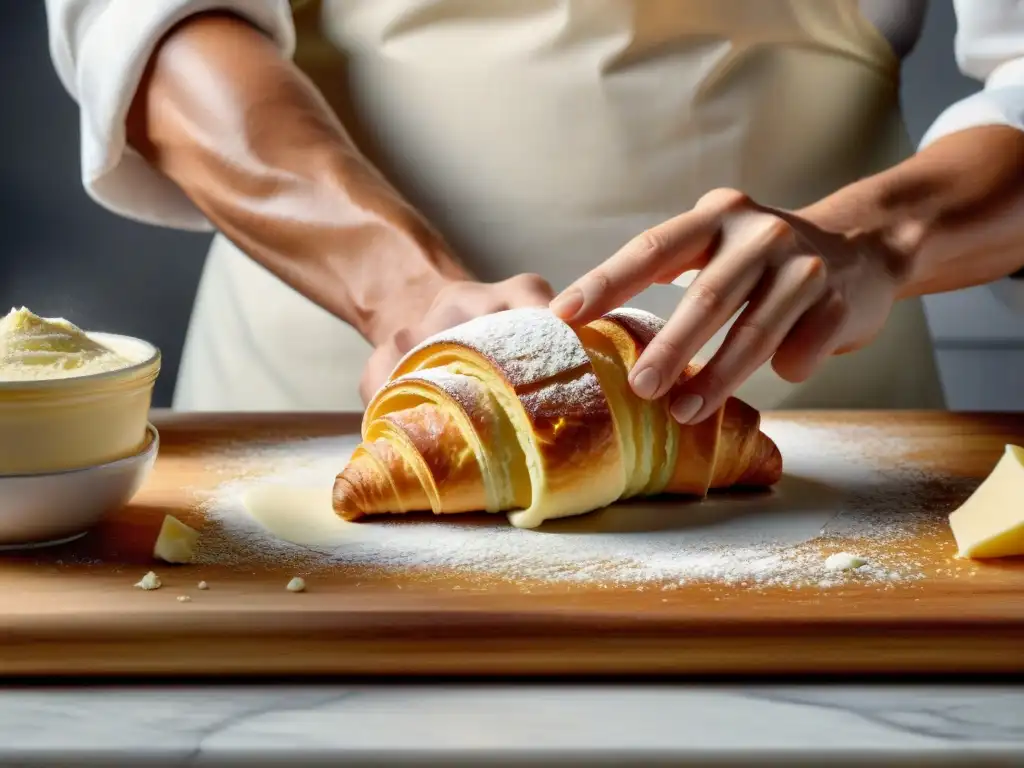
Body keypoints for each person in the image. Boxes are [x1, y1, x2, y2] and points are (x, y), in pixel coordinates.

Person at [45, 0, 1024, 415]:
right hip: (326, 414)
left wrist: (878, 236)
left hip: (815, 441)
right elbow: (151, 21)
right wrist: (399, 294)